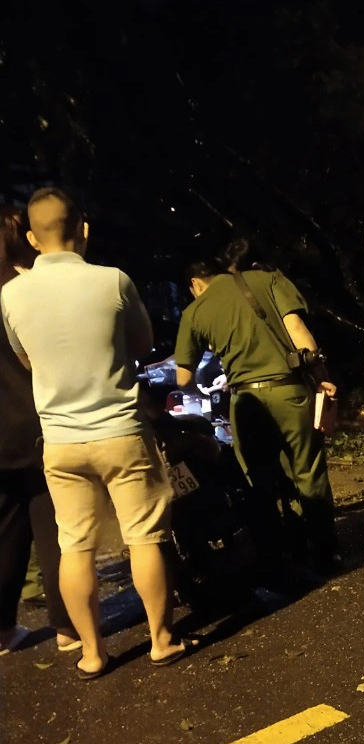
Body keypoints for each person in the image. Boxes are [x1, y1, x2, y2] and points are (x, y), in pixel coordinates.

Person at [1, 188, 194, 678]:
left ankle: (91, 652)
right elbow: (144, 344)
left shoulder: (11, 295)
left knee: (74, 546)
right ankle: (162, 640)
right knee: (145, 538)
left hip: (61, 442)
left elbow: (25, 357)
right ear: (83, 229)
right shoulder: (114, 282)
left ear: (30, 236)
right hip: (121, 432)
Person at [174, 243, 341, 579]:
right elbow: (299, 334)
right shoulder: (266, 280)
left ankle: (275, 561)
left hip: (246, 404)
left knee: (259, 483)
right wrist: (322, 379)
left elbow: (183, 377)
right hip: (290, 392)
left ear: (194, 284)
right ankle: (325, 554)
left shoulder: (196, 311)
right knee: (308, 472)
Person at [0, 204, 79, 656]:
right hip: (35, 422)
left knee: (5, 532)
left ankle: (3, 630)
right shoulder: (28, 290)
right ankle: (68, 626)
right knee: (52, 524)